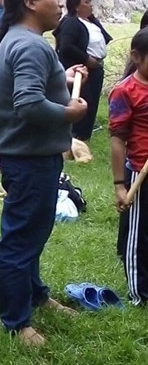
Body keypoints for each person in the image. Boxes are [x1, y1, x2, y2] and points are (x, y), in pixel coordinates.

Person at [0, 0, 88, 346]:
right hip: (30, 161)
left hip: (27, 158)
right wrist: (69, 113)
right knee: (20, 240)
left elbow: (28, 85)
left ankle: (35, 295)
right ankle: (17, 322)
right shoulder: (30, 45)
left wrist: (59, 80)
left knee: (31, 234)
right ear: (31, 3)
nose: (60, 2)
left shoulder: (19, 40)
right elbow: (28, 102)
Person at [110, 27, 148, 306]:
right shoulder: (125, 91)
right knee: (138, 237)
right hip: (140, 172)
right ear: (136, 57)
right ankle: (140, 294)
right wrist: (120, 184)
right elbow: (117, 140)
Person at [53, 0, 112, 141]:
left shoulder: (91, 21)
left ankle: (85, 133)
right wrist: (86, 59)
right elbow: (66, 46)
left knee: (92, 101)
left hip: (95, 67)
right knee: (82, 99)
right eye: (87, 2)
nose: (91, 5)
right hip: (80, 69)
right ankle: (75, 134)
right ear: (76, 6)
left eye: (91, 1)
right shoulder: (72, 22)